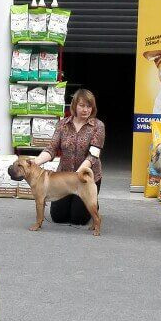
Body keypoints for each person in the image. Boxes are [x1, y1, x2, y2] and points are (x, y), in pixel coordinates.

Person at [32, 88, 104, 225]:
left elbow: (93, 154)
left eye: (89, 106)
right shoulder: (63, 124)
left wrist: (78, 175)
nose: (85, 110)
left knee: (78, 219)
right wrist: (35, 162)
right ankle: (77, 200)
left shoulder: (98, 126)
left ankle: (92, 201)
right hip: (63, 178)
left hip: (85, 178)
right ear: (74, 105)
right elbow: (51, 148)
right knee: (58, 217)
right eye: (82, 105)